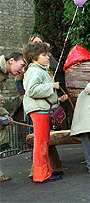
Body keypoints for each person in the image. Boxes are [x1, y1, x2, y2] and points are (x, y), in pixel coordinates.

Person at [22, 43, 68, 183]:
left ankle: (47, 171)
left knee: (44, 142)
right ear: (34, 57)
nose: (47, 57)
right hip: (39, 112)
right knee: (41, 143)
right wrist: (51, 86)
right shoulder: (34, 71)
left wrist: (58, 99)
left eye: (47, 54)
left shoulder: (39, 70)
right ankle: (41, 175)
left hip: (42, 110)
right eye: (44, 55)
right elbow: (32, 90)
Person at [0, 52, 26, 182]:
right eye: (21, 66)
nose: (22, 70)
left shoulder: (4, 74)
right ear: (11, 61)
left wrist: (4, 113)